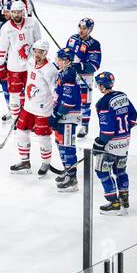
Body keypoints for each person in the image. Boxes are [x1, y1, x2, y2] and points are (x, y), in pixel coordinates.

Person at [92, 72, 137, 215]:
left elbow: (108, 129)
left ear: (101, 86)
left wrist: (100, 143)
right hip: (125, 142)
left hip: (111, 144)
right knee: (120, 171)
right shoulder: (122, 95)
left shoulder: (103, 103)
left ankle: (114, 202)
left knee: (102, 171)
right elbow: (133, 116)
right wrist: (123, 132)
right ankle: (124, 200)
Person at [10, 40, 58, 176]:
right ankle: (25, 162)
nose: (37, 54)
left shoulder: (50, 70)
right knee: (21, 132)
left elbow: (55, 92)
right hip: (28, 107)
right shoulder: (31, 62)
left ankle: (45, 163)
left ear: (46, 53)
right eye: (35, 51)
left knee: (43, 137)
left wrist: (55, 112)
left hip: (43, 110)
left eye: (40, 52)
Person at [0, 1, 41, 120]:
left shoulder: (32, 22)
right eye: (14, 12)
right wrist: (0, 65)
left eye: (19, 12)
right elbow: (3, 48)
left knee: (31, 94)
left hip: (31, 66)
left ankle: (29, 119)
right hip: (14, 67)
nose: (16, 15)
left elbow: (39, 43)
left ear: (23, 12)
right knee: (14, 95)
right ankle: (15, 119)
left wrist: (41, 62)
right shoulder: (6, 28)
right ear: (11, 13)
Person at [49, 48, 82, 192]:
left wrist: (57, 115)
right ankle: (67, 171)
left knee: (68, 147)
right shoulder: (63, 73)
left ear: (67, 61)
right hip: (63, 116)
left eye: (60, 59)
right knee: (61, 144)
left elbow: (68, 101)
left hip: (68, 117)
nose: (57, 61)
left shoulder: (69, 74)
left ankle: (72, 180)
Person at [65, 18, 102, 138]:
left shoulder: (94, 44)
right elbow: (66, 53)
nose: (81, 30)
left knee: (85, 103)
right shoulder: (72, 39)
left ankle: (84, 126)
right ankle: (71, 121)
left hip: (84, 78)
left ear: (90, 29)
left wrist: (79, 66)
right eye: (80, 27)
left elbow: (94, 65)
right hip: (71, 75)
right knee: (70, 98)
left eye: (84, 28)